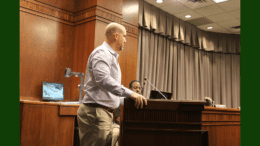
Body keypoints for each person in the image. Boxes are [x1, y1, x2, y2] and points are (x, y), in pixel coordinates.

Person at [77, 22, 147, 146]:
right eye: (124, 36)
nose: (125, 40)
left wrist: (129, 100)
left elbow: (110, 92)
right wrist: (131, 94)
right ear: (116, 36)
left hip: (102, 112)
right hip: (96, 112)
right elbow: (104, 80)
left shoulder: (110, 55)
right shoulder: (102, 53)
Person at [112, 80, 143, 146]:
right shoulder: (122, 100)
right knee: (114, 133)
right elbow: (118, 119)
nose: (138, 90)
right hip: (120, 126)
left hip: (137, 127)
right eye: (135, 88)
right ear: (130, 89)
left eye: (139, 88)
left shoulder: (143, 103)